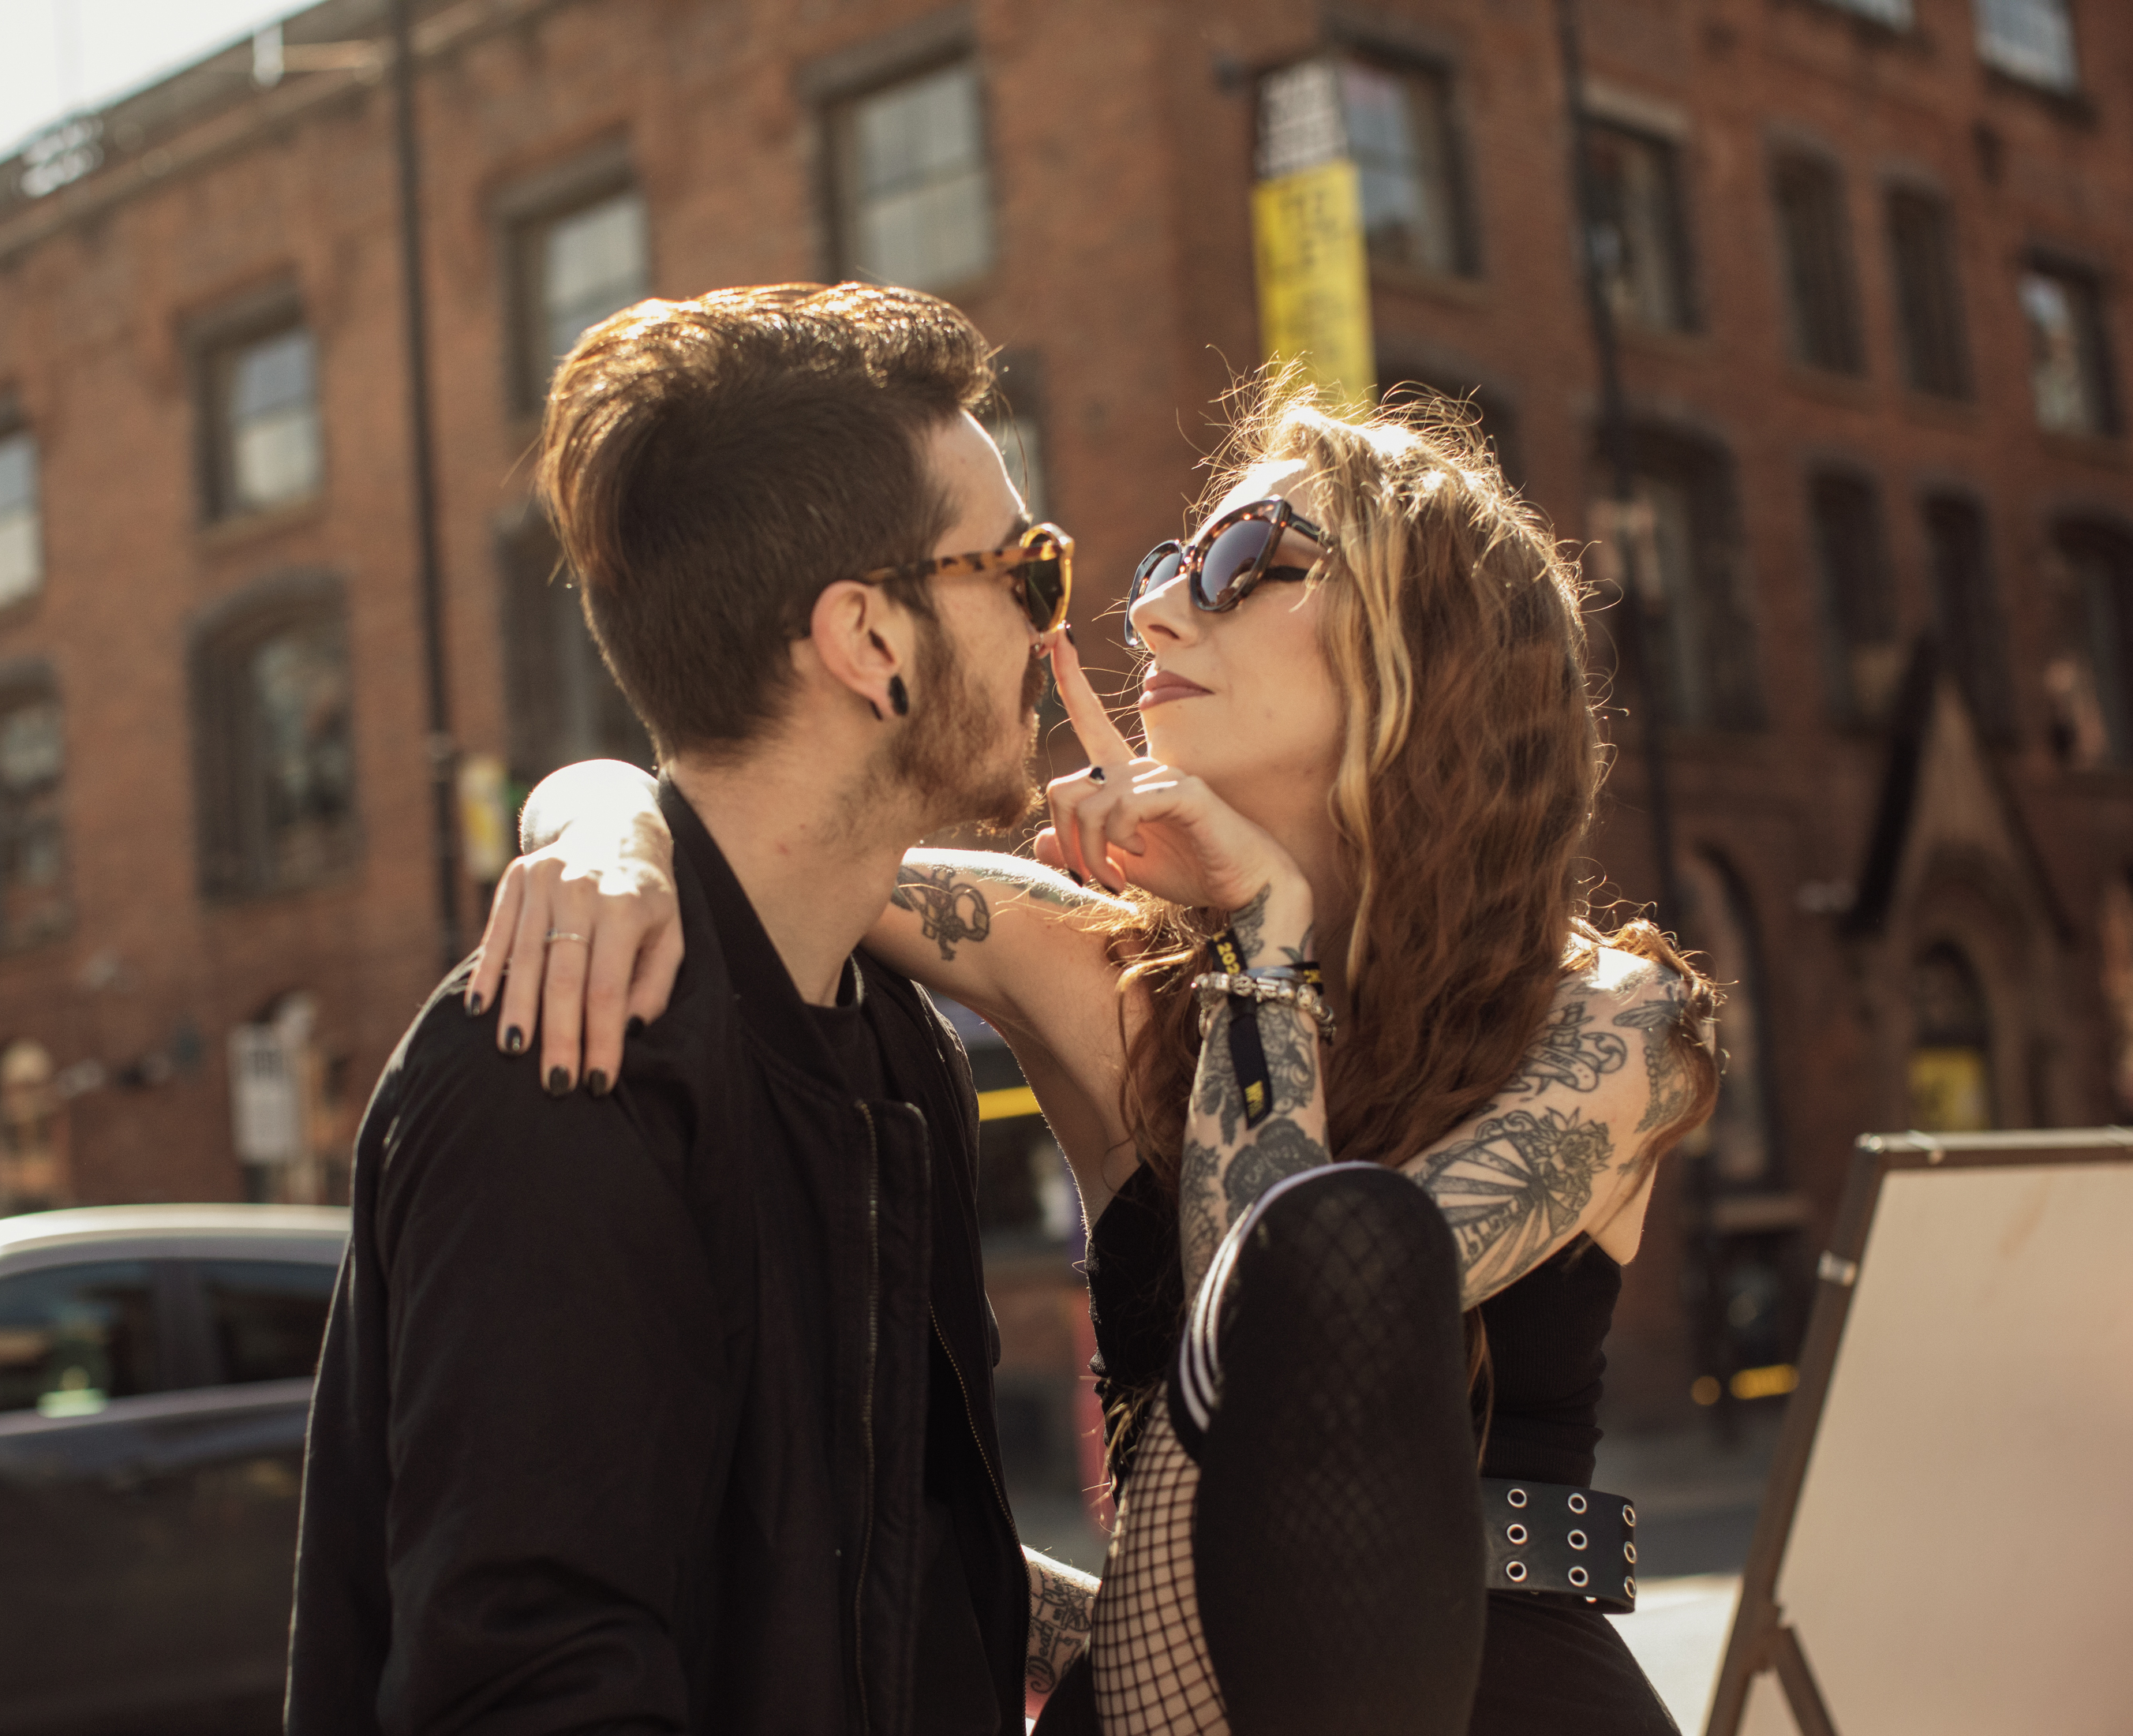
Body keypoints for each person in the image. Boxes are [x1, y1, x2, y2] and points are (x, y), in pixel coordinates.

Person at [470, 375, 1721, 1734]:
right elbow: (745, 826)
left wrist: (1263, 937)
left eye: (1245, 562)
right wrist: (596, 827)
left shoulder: (1614, 1024)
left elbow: (1298, 1346)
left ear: (1432, 649)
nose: (1150, 610)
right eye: (1168, 565)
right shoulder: (1090, 963)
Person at [286, 282, 1104, 1735]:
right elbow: (531, 1687)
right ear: (870, 640)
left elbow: (872, 1569)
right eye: (1023, 570)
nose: (1054, 626)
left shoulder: (887, 1034)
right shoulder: (563, 1058)